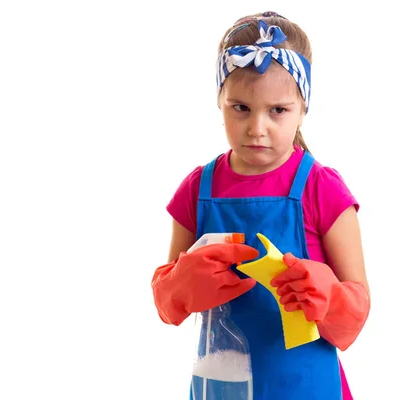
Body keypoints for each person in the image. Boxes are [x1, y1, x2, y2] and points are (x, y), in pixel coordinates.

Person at [151, 11, 370, 399]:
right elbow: (167, 307)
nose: (257, 128)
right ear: (219, 100)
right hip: (221, 386)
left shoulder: (323, 189)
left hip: (307, 388)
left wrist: (332, 297)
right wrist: (178, 285)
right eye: (241, 108)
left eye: (278, 111)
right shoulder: (197, 189)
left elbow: (356, 312)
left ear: (303, 108)